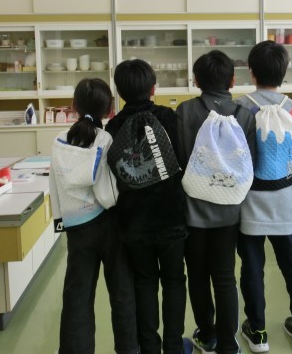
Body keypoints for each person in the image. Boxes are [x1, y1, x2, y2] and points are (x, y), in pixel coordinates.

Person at [105, 59, 192, 354]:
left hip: (133, 221)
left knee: (144, 282)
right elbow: (182, 160)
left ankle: (149, 347)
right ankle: (174, 346)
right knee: (174, 280)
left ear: (119, 92)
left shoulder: (113, 126)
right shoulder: (168, 117)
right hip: (171, 217)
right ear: (153, 88)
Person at [234, 40, 292, 353]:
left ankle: (257, 332)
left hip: (249, 205)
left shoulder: (240, 108)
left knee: (252, 268)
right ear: (284, 72)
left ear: (251, 72)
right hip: (285, 203)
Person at [49, 78, 139, 354]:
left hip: (77, 229)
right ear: (110, 109)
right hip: (109, 225)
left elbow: (55, 186)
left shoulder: (59, 140)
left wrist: (60, 221)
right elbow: (108, 192)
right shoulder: (105, 139)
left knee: (77, 296)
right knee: (122, 294)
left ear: (73, 106)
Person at [176, 50, 256, 354]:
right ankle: (227, 343)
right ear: (232, 80)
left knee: (197, 275)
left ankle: (207, 335)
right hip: (230, 212)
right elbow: (249, 166)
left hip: (193, 211)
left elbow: (180, 159)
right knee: (224, 277)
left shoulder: (185, 111)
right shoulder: (244, 115)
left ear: (196, 80)